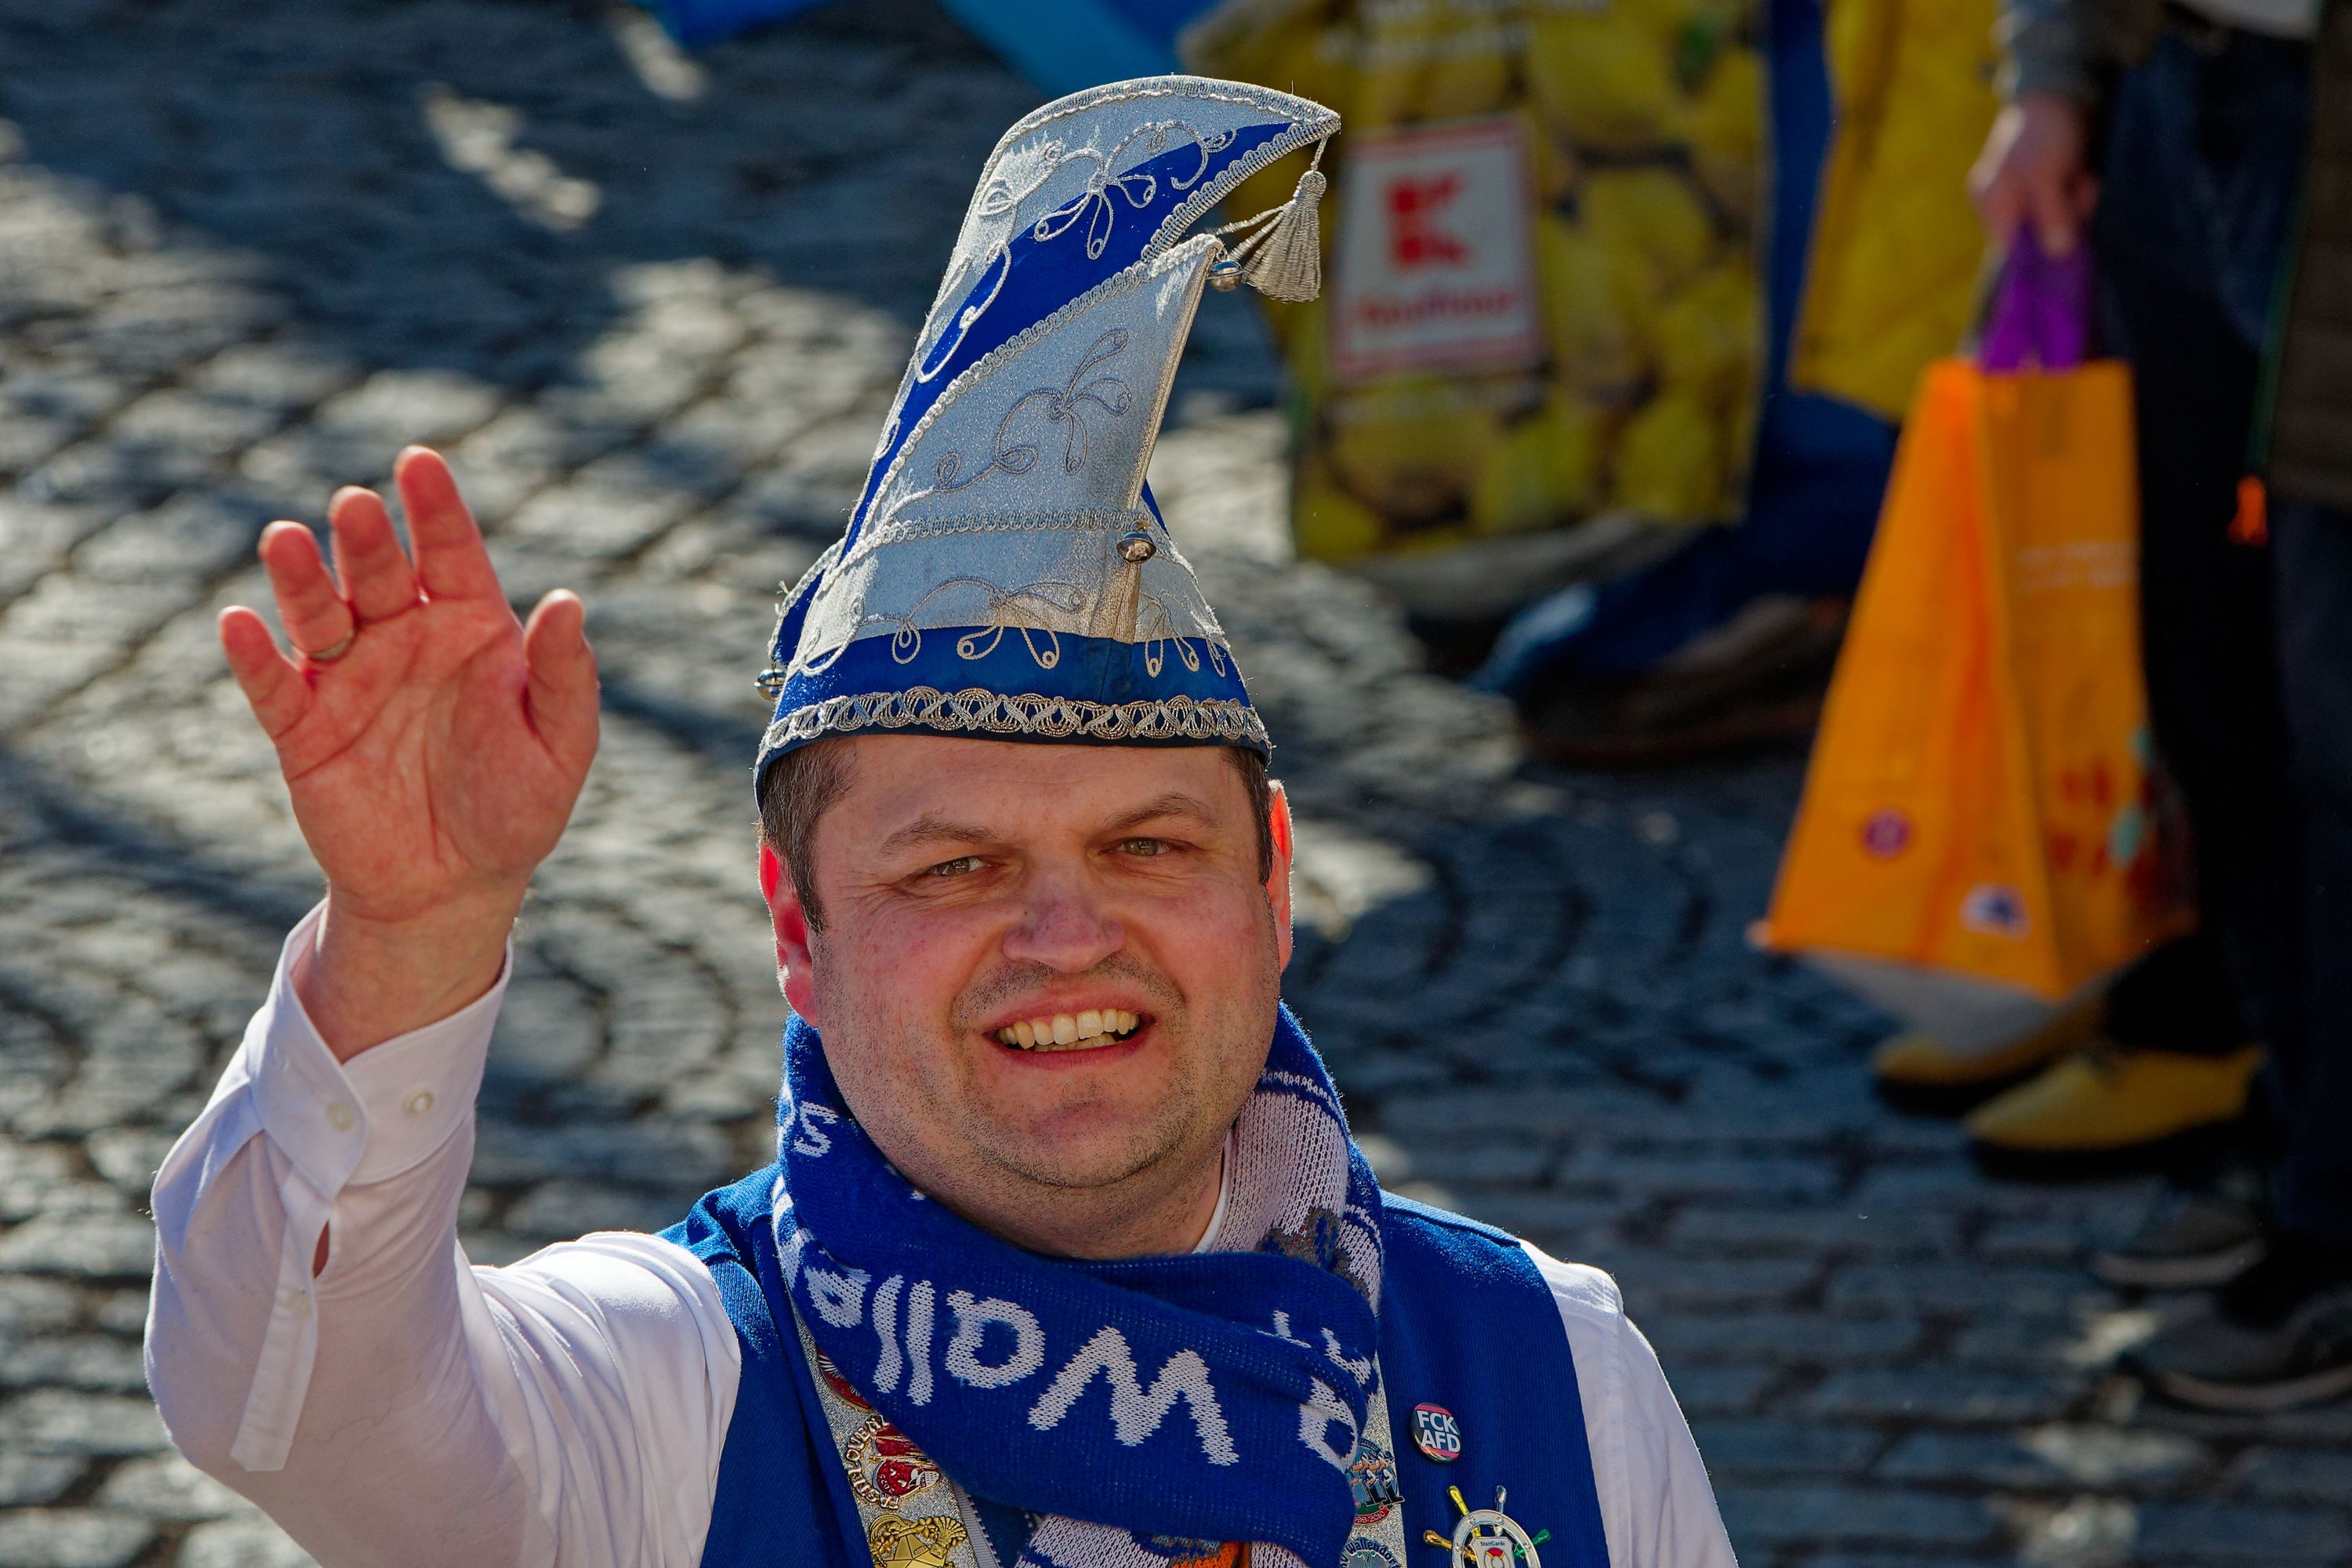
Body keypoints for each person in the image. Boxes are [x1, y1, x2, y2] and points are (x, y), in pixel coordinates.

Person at [143, 77, 1736, 1568]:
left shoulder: (1558, 1372)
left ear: (1275, 888)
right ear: (796, 931)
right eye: (955, 865)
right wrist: (414, 929)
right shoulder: (668, 1393)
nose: (1066, 934)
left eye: (1150, 846)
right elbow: (296, 1404)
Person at [1966, 0, 2352, 1408]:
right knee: (2209, 687)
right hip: (2173, 95)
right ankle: (2302, 1139)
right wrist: (2055, 74)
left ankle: (2334, 1227)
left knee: (2333, 718)